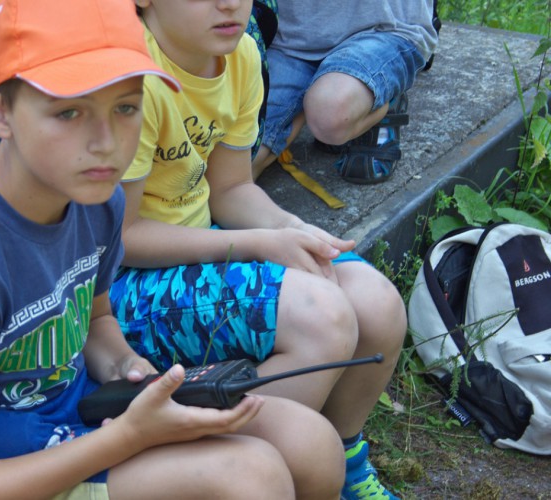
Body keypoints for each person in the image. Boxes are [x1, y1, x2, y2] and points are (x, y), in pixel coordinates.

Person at [0, 0, 345, 498]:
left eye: (125, 107)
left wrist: (130, 371)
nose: (107, 142)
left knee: (310, 443)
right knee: (249, 475)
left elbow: (96, 319)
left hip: (64, 402)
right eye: (69, 112)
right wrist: (128, 437)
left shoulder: (97, 198)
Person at [110, 1, 407, 498]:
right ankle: (239, 465)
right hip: (126, 286)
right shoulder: (131, 80)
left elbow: (230, 189)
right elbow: (121, 238)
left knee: (376, 304)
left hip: (202, 247)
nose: (230, 4)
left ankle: (346, 464)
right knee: (322, 320)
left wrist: (292, 230)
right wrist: (258, 242)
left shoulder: (240, 53)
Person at [251, 0, 439, 183]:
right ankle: (327, 93)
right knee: (243, 163)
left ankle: (382, 96)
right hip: (288, 37)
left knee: (330, 114)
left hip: (383, 27)